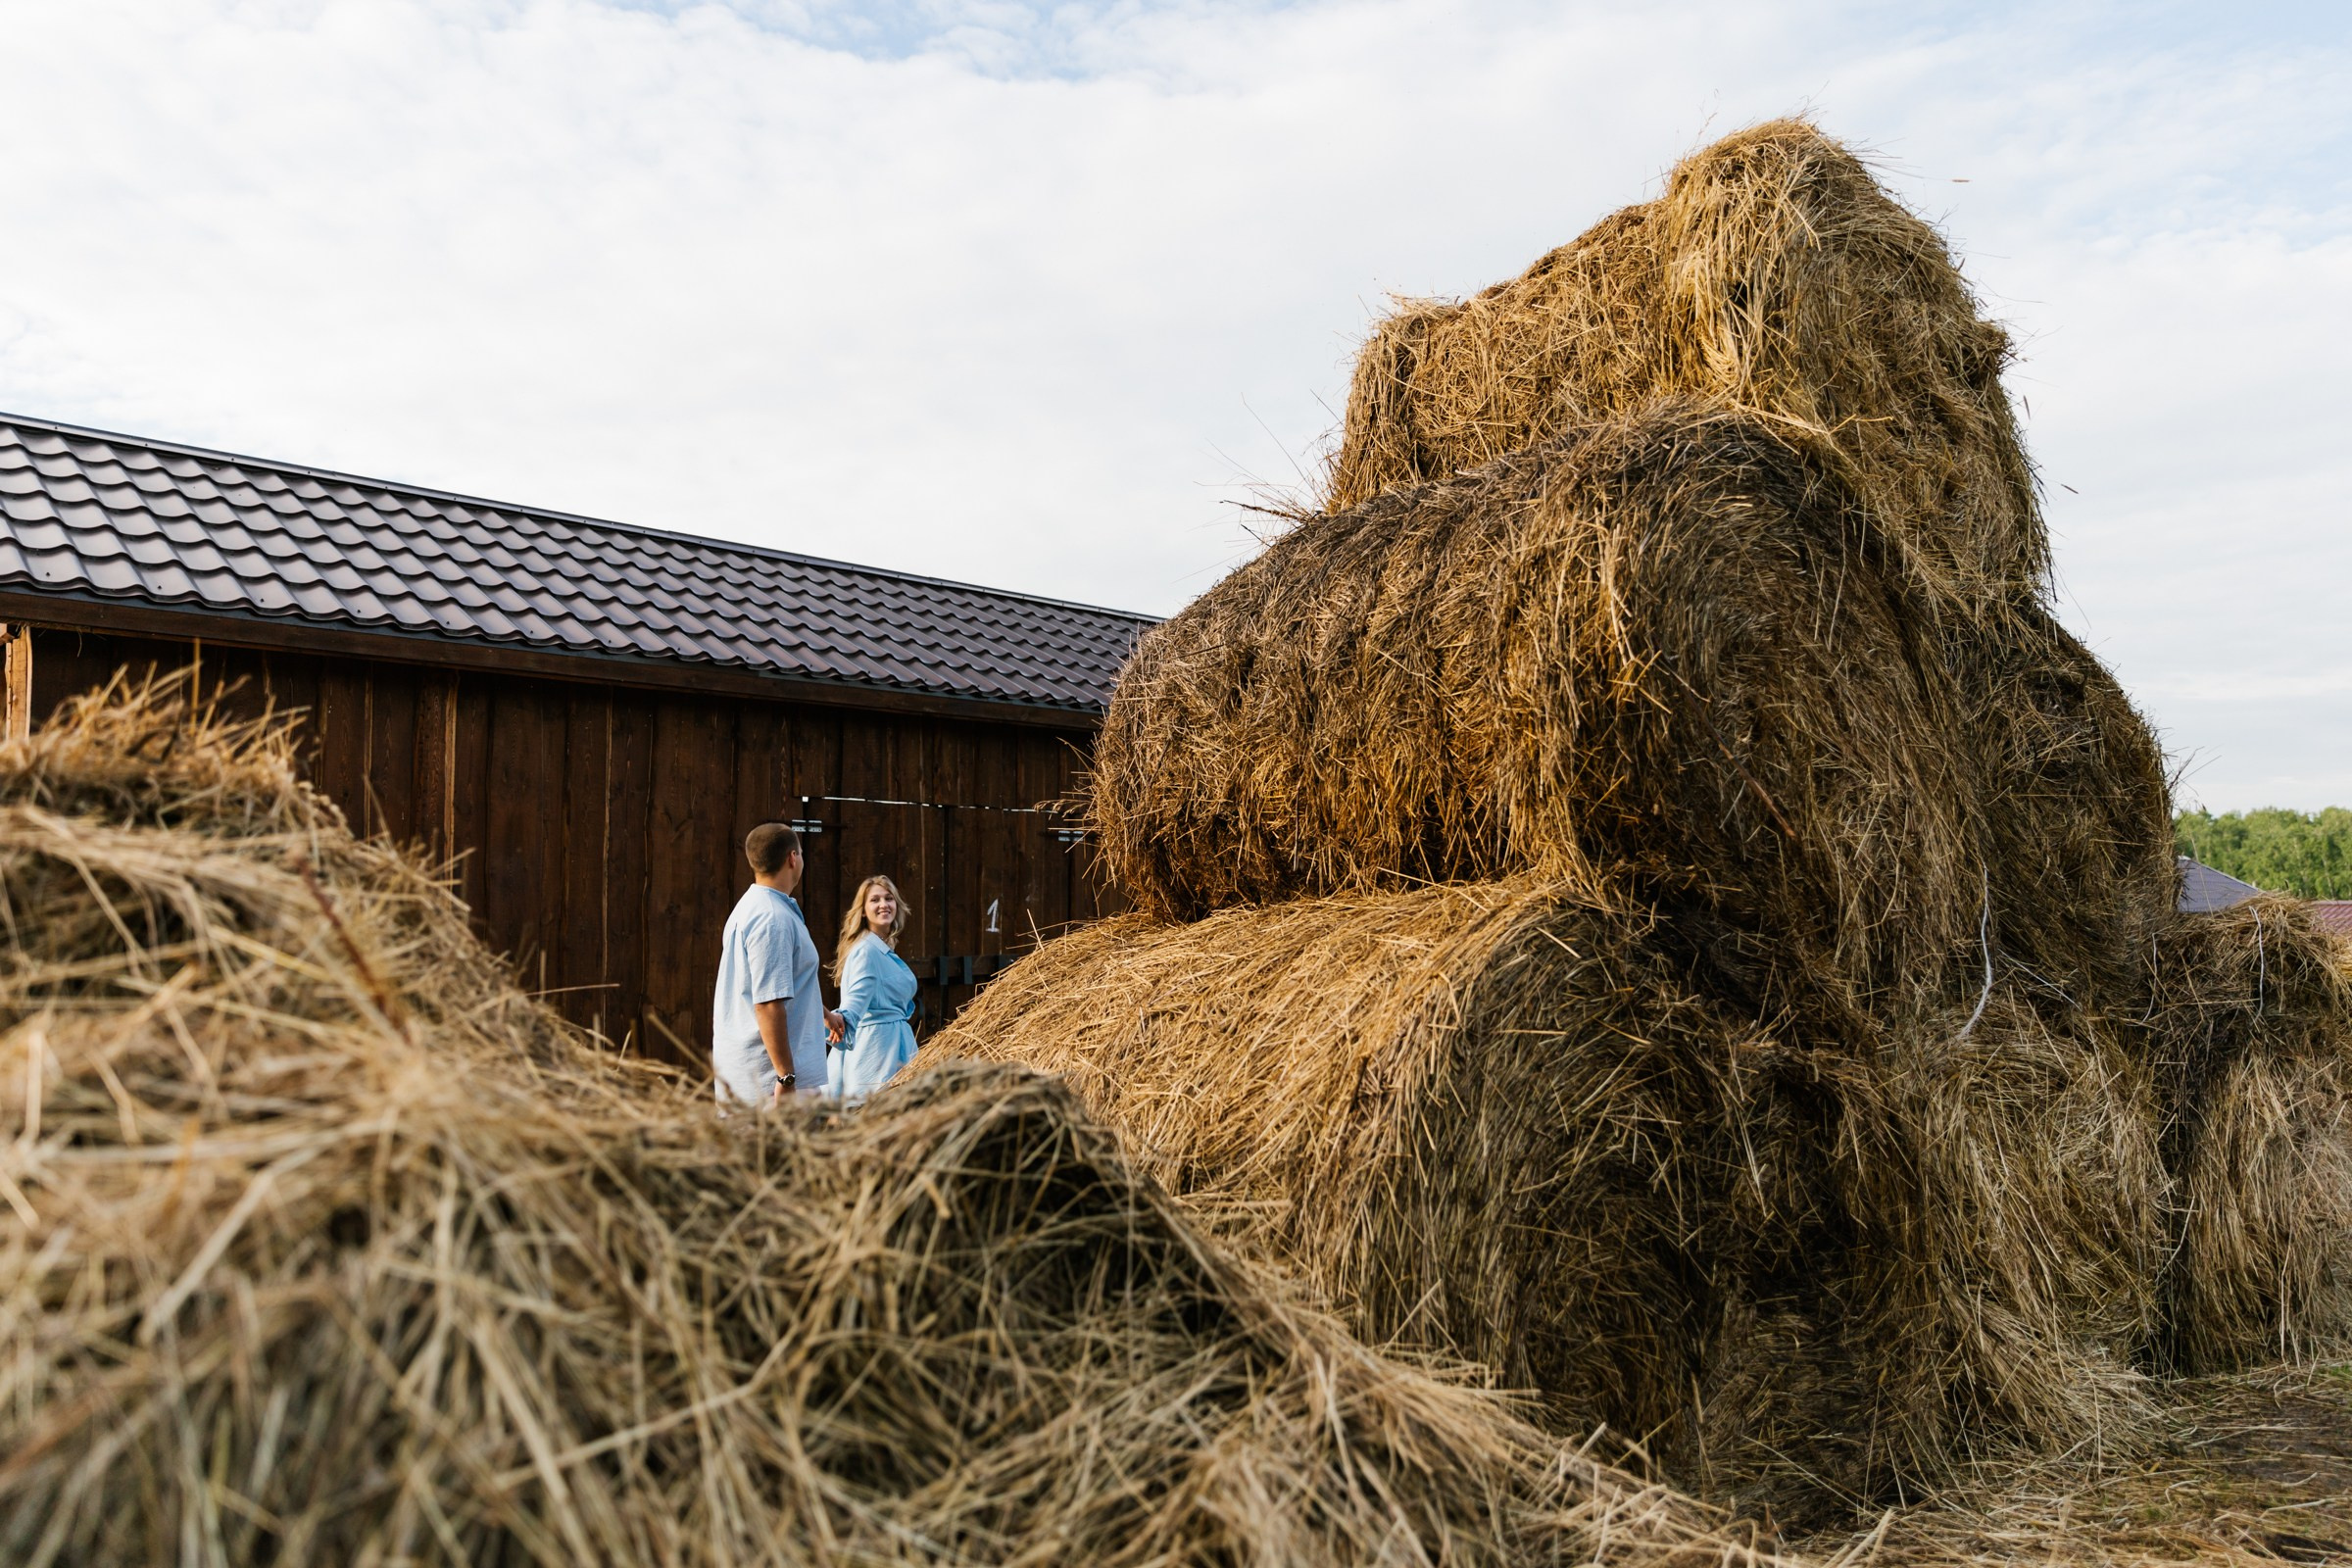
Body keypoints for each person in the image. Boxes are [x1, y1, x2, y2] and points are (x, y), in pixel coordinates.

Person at [711, 822, 843, 1105]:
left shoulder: (750, 907)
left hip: (754, 1078)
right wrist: (786, 1077)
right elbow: (768, 1003)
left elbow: (773, 983)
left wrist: (822, 1014)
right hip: (770, 1085)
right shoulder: (772, 918)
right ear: (792, 858)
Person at [825, 873, 920, 1100]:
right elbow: (855, 1000)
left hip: (892, 1048)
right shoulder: (866, 951)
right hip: (877, 1056)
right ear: (863, 910)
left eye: (889, 898)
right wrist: (841, 1022)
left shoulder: (880, 949)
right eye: (875, 900)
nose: (883, 904)